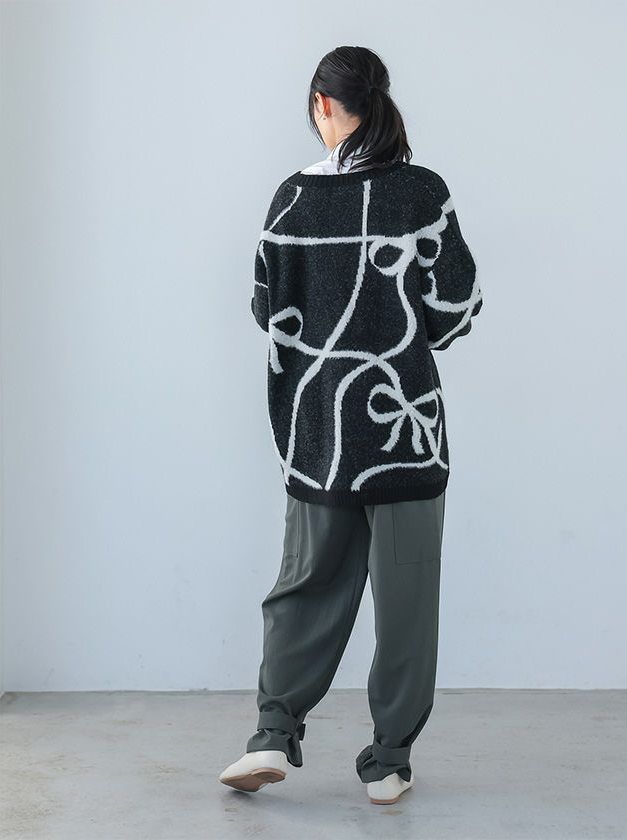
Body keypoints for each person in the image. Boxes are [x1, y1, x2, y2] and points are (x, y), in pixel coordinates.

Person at [219, 45, 483, 805]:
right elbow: (455, 309)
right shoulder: (422, 192)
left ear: (322, 106)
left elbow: (267, 309)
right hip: (405, 432)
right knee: (407, 601)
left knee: (305, 585)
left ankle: (272, 734)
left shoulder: (292, 201)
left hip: (319, 433)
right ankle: (390, 760)